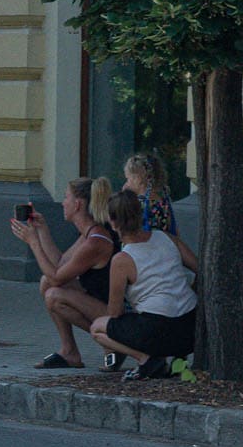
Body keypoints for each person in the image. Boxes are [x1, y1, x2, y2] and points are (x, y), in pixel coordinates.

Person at [90, 188, 199, 381]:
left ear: (113, 222)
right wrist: (191, 291)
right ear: (140, 214)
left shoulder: (122, 259)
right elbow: (200, 268)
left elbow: (114, 313)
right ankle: (177, 360)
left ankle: (146, 360)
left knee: (97, 328)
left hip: (157, 330)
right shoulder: (166, 238)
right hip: (191, 329)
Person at [11, 177, 118, 369]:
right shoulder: (90, 232)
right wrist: (42, 230)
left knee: (54, 295)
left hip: (118, 314)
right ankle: (69, 351)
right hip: (101, 303)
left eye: (66, 197)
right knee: (46, 283)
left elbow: (57, 278)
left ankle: (113, 343)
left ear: (77, 204)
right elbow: (59, 265)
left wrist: (33, 243)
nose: (63, 203)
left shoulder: (96, 240)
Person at [124, 151, 178, 236]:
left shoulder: (139, 204)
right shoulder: (163, 202)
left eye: (128, 178)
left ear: (138, 178)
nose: (126, 183)